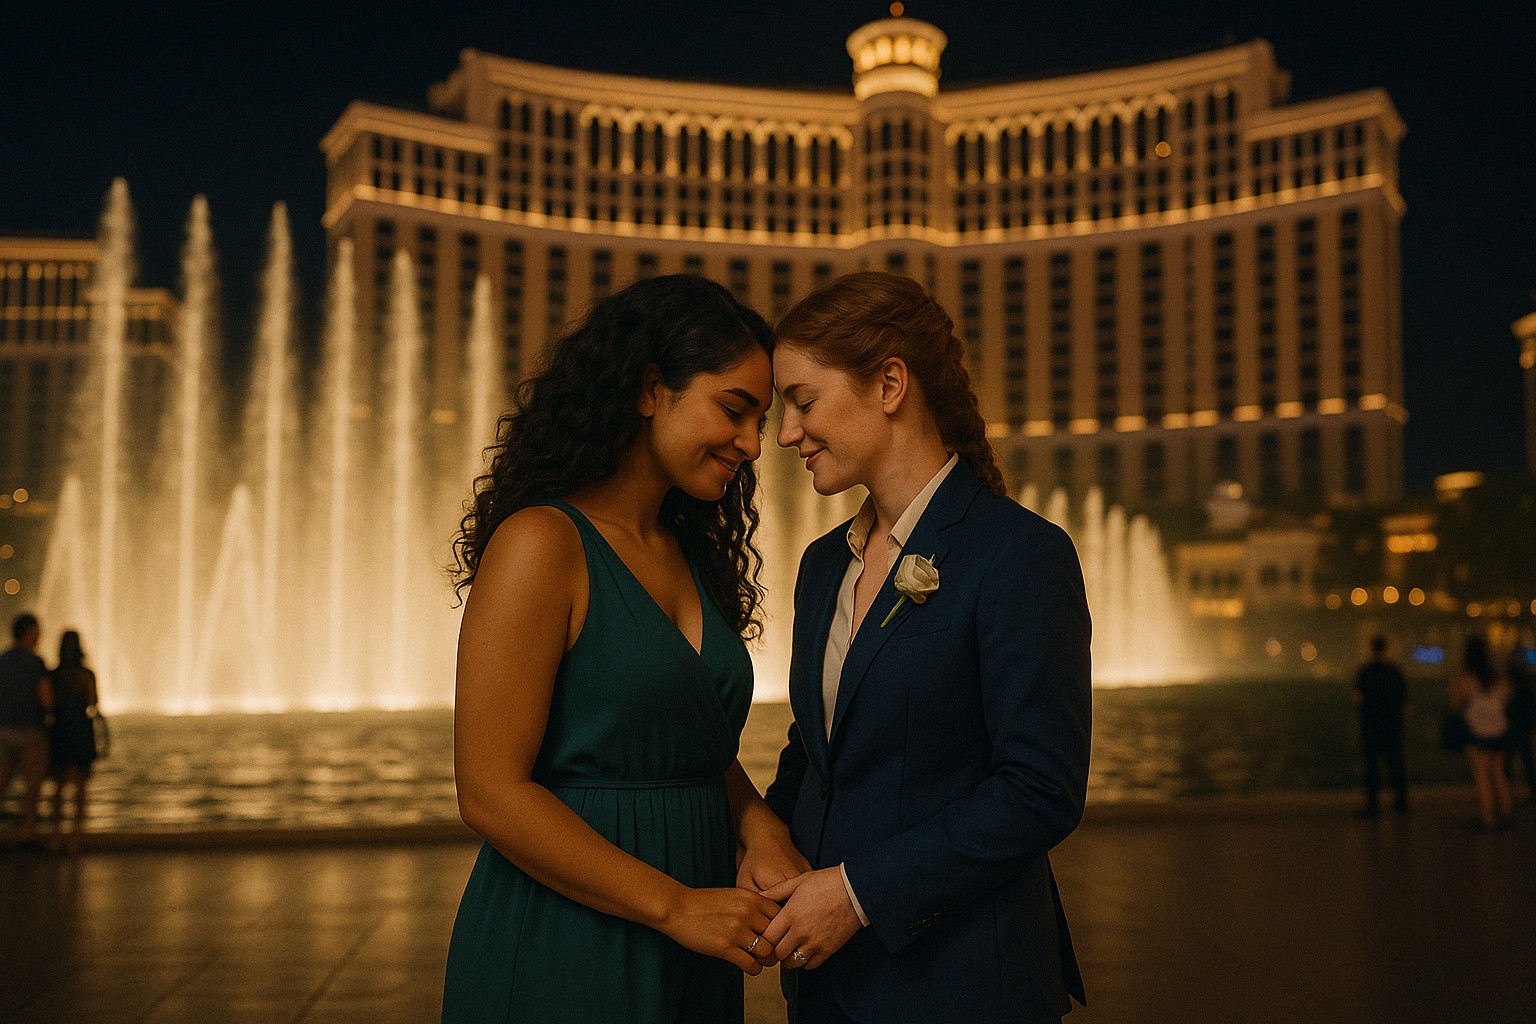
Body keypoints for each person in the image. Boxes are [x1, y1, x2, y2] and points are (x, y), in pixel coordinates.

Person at [441, 275, 805, 1024]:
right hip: (569, 940)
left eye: (759, 423)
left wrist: (756, 821)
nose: (749, 443)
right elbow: (488, 789)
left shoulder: (687, 551)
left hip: (696, 936)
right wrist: (672, 905)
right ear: (648, 389)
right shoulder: (542, 543)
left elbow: (677, 737)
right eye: (733, 410)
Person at [759, 272, 1092, 1024]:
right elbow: (819, 749)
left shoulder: (1020, 554)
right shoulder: (821, 566)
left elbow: (1040, 789)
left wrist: (855, 894)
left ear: (889, 384)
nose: (785, 434)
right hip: (825, 989)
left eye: (803, 401)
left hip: (964, 985)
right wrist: (764, 840)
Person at [0, 613, 53, 846]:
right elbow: (47, 700)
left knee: (1, 783)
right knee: (32, 786)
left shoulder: (3, 660)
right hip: (31, 732)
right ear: (30, 632)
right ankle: (27, 831)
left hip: (3, 731)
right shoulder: (35, 663)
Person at [1450, 635, 1512, 831]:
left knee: (1481, 775)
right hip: (1500, 730)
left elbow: (1454, 702)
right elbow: (1507, 697)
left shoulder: (1466, 678)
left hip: (1477, 731)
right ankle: (1506, 814)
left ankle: (1488, 818)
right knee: (1498, 773)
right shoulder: (1498, 677)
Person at [46, 630, 98, 856]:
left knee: (58, 783)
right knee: (80, 785)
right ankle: (76, 836)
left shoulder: (53, 675)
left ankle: (56, 835)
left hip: (59, 729)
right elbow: (93, 703)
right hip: (80, 729)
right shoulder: (87, 674)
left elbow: (47, 704)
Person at [1352, 635, 1409, 818]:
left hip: (1371, 725)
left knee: (1371, 766)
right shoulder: (1394, 672)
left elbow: (1357, 698)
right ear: (1386, 649)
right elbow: (1405, 703)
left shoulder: (1365, 672)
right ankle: (1401, 803)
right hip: (1392, 725)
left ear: (1371, 649)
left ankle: (1372, 806)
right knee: (1395, 763)